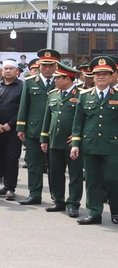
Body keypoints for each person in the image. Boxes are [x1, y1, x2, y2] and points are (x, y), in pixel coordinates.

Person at [70, 56, 118, 225]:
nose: (101, 77)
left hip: (113, 146)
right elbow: (78, 122)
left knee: (113, 179)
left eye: (105, 74)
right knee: (92, 180)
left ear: (111, 76)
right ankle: (94, 212)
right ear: (93, 76)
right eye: (98, 74)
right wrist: (75, 144)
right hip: (90, 145)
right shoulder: (84, 96)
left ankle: (116, 211)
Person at [40, 62, 83, 217]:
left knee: (75, 174)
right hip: (54, 140)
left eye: (58, 78)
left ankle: (73, 203)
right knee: (55, 173)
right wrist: (44, 138)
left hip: (72, 142)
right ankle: (58, 200)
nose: (55, 80)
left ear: (68, 79)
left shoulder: (80, 95)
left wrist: (79, 137)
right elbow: (47, 118)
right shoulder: (52, 94)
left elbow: (85, 119)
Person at [16, 49, 58, 205]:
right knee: (34, 164)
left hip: (54, 131)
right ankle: (34, 194)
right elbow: (24, 106)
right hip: (34, 129)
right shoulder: (30, 81)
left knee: (55, 166)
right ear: (39, 66)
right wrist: (21, 127)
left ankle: (57, 197)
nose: (47, 68)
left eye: (51, 65)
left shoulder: (61, 81)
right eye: (44, 65)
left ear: (56, 66)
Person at [0, 59, 23, 201]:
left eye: (11, 68)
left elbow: (22, 109)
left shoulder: (22, 87)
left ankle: (11, 188)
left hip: (14, 129)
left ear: (17, 71)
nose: (8, 71)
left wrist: (10, 124)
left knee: (12, 158)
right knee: (1, 158)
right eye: (6, 68)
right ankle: (4, 185)